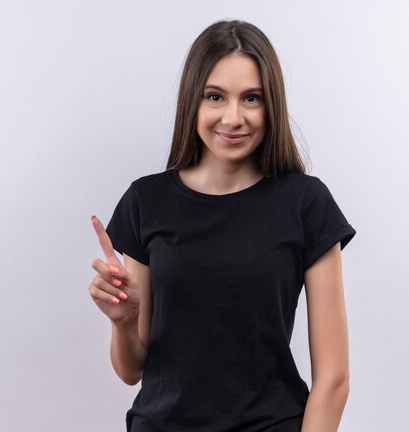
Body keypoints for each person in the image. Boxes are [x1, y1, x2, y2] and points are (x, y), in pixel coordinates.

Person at [88, 19, 356, 432]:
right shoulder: (147, 202)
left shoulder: (305, 203)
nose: (233, 118)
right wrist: (123, 321)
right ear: (193, 101)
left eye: (252, 98)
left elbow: (334, 381)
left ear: (272, 106)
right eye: (215, 96)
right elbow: (131, 370)